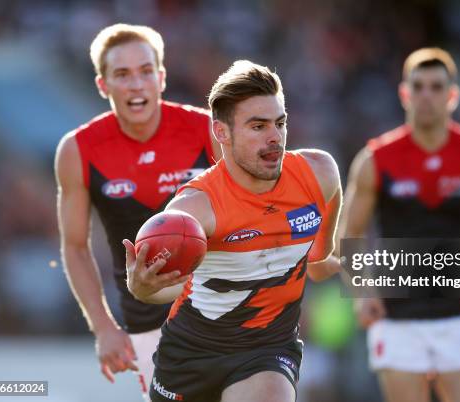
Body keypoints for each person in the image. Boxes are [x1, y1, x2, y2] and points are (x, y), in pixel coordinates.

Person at [123, 60, 342, 402]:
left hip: (267, 350)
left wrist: (321, 258)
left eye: (280, 123)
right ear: (222, 133)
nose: (275, 137)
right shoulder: (194, 210)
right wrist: (141, 288)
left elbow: (321, 252)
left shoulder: (320, 173)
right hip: (190, 356)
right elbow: (165, 287)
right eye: (258, 126)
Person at [339, 48, 460, 402]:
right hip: (396, 318)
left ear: (453, 96)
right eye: (418, 86)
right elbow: (350, 234)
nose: (426, 95)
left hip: (457, 315)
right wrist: (362, 293)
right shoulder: (376, 159)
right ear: (404, 94)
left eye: (435, 87)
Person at [55, 23, 220, 400]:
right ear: (103, 85)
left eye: (146, 71)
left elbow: (251, 212)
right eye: (122, 74)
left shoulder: (207, 130)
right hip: (147, 321)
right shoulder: (78, 149)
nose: (136, 84)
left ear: (161, 78)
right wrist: (103, 328)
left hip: (222, 309)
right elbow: (75, 247)